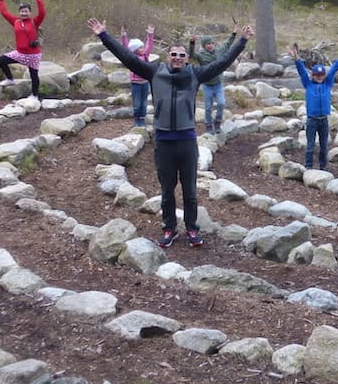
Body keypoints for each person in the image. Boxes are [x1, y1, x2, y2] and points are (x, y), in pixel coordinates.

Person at [87, 17, 252, 248]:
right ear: (167, 57)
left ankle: (192, 229)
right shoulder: (154, 72)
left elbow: (223, 62)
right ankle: (169, 228)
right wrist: (103, 35)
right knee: (166, 191)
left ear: (186, 59)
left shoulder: (195, 74)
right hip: (164, 141)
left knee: (190, 191)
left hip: (186, 140)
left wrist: (242, 41)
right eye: (173, 54)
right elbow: (126, 57)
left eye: (181, 55)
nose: (177, 58)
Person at [290, 45, 338, 170]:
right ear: (313, 76)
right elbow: (301, 71)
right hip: (312, 120)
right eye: (317, 75)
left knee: (324, 145)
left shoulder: (328, 84)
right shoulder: (308, 84)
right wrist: (296, 58)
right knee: (310, 145)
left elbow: (333, 70)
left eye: (321, 75)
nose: (320, 77)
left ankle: (323, 166)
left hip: (324, 120)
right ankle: (309, 166)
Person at [0, 0, 46, 99]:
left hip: (33, 55)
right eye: (22, 11)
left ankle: (35, 95)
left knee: (34, 75)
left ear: (30, 12)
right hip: (19, 53)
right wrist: (1, 0)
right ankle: (10, 79)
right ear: (19, 12)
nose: (24, 13)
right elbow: (4, 13)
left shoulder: (34, 22)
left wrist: (38, 0)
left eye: (26, 11)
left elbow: (42, 13)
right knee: (1, 60)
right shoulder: (16, 21)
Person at [189, 27, 237, 134]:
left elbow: (227, 45)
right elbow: (192, 55)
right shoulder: (201, 55)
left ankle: (218, 122)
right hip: (207, 85)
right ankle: (208, 124)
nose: (210, 45)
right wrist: (192, 42)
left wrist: (233, 33)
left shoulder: (219, 52)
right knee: (208, 107)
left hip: (218, 85)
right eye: (208, 44)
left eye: (212, 43)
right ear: (204, 45)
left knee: (221, 103)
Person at [120, 24, 156, 127]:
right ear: (135, 50)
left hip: (145, 82)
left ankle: (142, 118)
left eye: (142, 46)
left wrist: (150, 34)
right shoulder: (132, 58)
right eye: (140, 47)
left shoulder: (145, 55)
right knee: (137, 103)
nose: (143, 48)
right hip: (135, 83)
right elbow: (125, 48)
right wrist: (123, 36)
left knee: (144, 103)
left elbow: (149, 46)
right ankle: (137, 119)